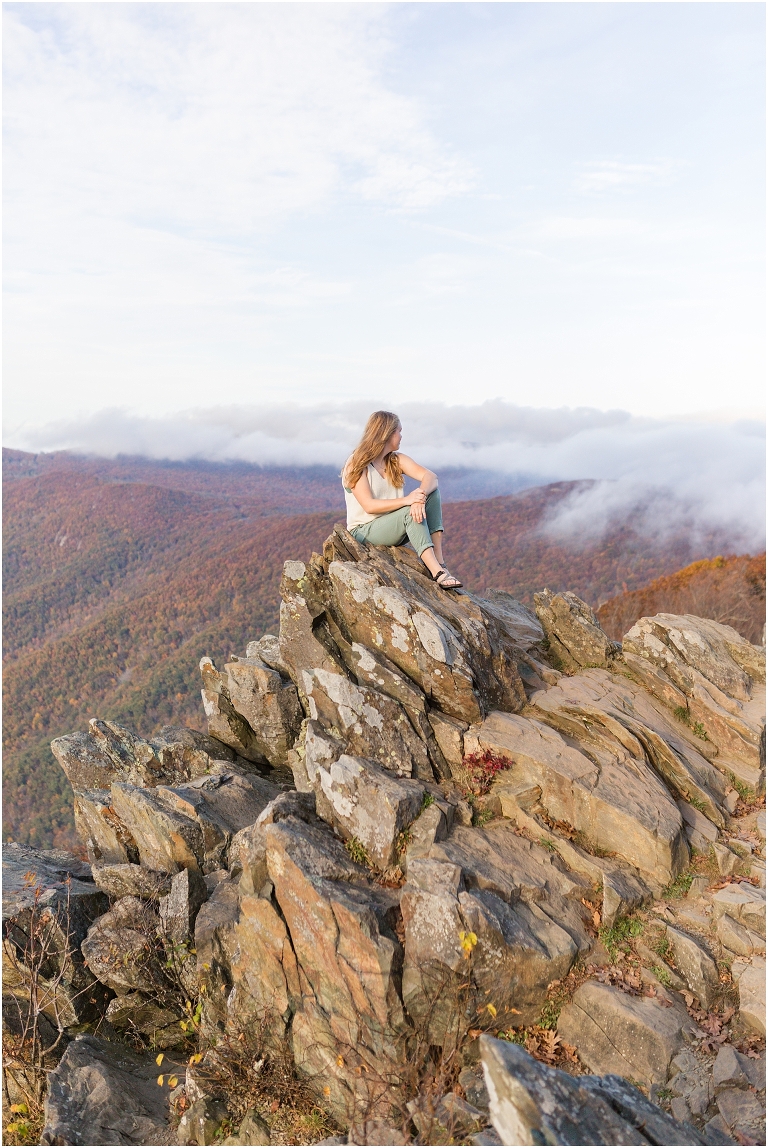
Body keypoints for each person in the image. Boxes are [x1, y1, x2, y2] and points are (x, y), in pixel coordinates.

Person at [342, 410, 462, 589]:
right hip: (363, 532)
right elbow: (369, 506)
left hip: (394, 525)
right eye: (398, 431)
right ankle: (436, 571)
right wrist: (408, 501)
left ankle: (439, 559)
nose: (401, 436)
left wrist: (419, 497)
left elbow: (431, 477)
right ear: (386, 433)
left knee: (432, 493)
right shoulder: (357, 462)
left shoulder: (395, 460)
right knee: (408, 510)